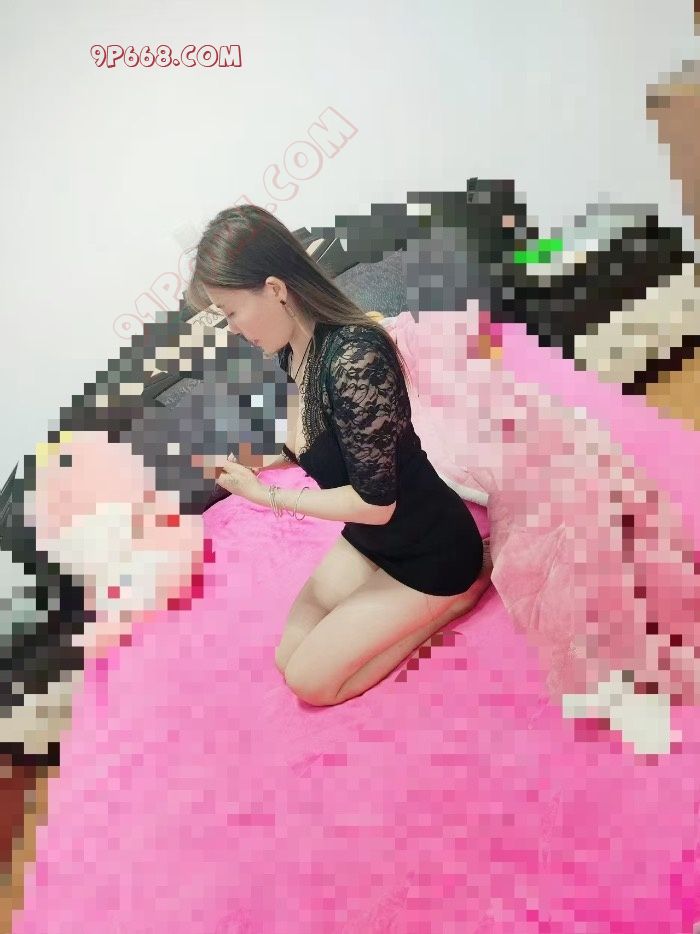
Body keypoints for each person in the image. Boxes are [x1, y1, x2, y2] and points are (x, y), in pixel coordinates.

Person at [184, 204, 492, 707]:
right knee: (288, 656)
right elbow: (310, 440)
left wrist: (266, 497)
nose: (233, 328)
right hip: (373, 541)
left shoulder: (355, 357)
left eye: (231, 312)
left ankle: (459, 596)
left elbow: (377, 504)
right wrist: (253, 462)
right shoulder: (293, 350)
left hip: (430, 548)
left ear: (275, 289)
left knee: (312, 682)